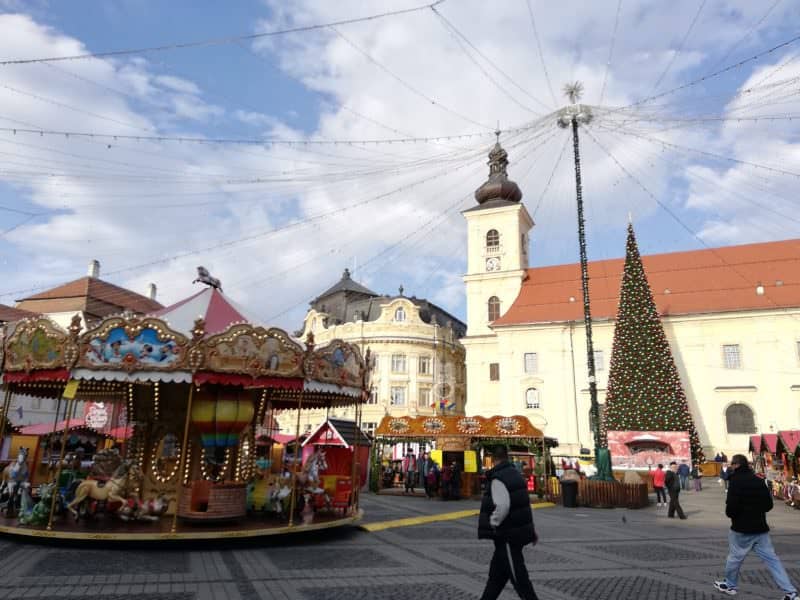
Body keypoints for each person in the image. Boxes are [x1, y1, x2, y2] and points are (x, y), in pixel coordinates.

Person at [714, 454, 798, 599]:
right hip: (760, 528)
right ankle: (790, 592)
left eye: (732, 464)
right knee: (772, 560)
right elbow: (768, 505)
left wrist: (735, 515)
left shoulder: (735, 481)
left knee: (734, 558)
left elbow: (731, 509)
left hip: (741, 529)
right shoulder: (759, 481)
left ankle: (730, 585)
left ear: (736, 465)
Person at [478, 445, 539, 600]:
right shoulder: (515, 474)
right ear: (507, 457)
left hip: (507, 536)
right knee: (495, 580)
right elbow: (522, 504)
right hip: (513, 534)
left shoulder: (499, 478)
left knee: (521, 581)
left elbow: (503, 505)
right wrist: (531, 530)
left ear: (493, 459)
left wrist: (493, 521)